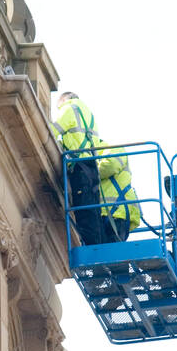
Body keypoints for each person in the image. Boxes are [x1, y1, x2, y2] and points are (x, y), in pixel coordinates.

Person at [52, 91, 137, 243]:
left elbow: (111, 164)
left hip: (117, 212)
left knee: (112, 252)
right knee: (108, 252)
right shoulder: (88, 117)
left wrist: (91, 172)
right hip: (108, 214)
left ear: (63, 101)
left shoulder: (113, 148)